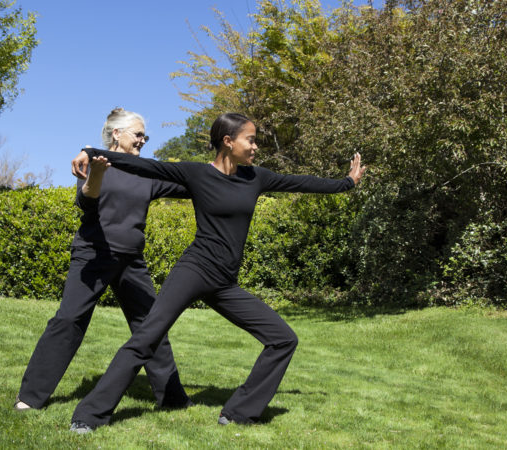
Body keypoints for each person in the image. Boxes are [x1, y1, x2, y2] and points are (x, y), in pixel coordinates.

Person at [68, 112, 366, 432]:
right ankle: (89, 415)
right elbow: (146, 165)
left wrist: (346, 183)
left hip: (224, 282)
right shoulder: (197, 175)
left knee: (283, 339)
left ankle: (238, 412)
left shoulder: (256, 177)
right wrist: (91, 150)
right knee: (145, 339)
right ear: (228, 142)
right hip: (194, 271)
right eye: (250, 140)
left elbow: (301, 182)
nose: (255, 147)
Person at [14, 108, 193, 422]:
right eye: (138, 134)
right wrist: (95, 170)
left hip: (131, 262)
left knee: (152, 326)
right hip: (93, 256)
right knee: (69, 320)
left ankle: (173, 399)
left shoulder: (147, 172)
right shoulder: (92, 165)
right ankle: (31, 396)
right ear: (117, 134)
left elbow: (190, 185)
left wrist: (224, 176)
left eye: (144, 136)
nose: (143, 140)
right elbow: (86, 200)